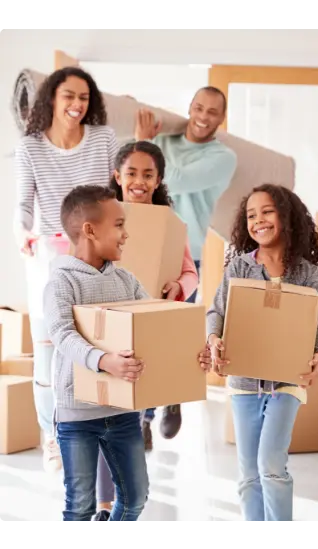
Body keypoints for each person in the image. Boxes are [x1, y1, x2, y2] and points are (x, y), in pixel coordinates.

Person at [204, 183, 318, 524]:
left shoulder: (307, 273)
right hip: (245, 383)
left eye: (267, 211)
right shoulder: (239, 268)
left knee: (270, 466)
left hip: (287, 382)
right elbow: (217, 311)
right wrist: (214, 337)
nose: (257, 220)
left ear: (286, 217)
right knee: (248, 473)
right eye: (250, 215)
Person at [13, 66, 119, 473]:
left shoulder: (104, 139)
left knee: (94, 350)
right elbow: (24, 204)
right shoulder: (31, 148)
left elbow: (116, 195)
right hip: (48, 261)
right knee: (48, 359)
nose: (77, 105)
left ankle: (97, 436)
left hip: (96, 263)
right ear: (51, 100)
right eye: (69, 96)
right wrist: (22, 232)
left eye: (84, 98)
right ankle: (52, 437)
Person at [90, 141, 200, 521]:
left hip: (149, 325)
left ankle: (124, 503)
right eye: (132, 173)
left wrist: (179, 287)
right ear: (117, 177)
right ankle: (106, 506)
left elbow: (189, 271)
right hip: (109, 325)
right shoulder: (100, 216)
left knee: (128, 422)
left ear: (158, 180)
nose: (139, 181)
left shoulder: (168, 222)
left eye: (148, 174)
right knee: (105, 416)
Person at [134, 86, 237, 439]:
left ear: (221, 118)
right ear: (190, 108)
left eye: (212, 112)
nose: (203, 117)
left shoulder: (223, 157)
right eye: (198, 108)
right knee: (142, 337)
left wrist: (147, 144)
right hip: (146, 246)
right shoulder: (166, 141)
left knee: (172, 337)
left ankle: (171, 398)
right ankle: (144, 420)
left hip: (185, 254)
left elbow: (175, 179)